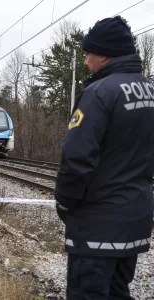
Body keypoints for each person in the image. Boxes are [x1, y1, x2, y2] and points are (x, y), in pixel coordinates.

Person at [55, 16, 154, 299]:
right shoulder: (150, 91)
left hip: (96, 229)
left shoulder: (99, 93)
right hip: (134, 224)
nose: (86, 62)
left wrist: (64, 203)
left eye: (89, 54)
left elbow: (75, 158)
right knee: (117, 292)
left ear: (105, 55)